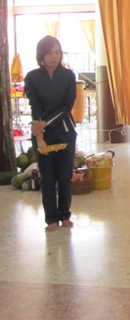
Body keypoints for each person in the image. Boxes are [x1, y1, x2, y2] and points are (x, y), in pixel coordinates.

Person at [24, 35, 78, 233]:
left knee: (64, 176)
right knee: (47, 177)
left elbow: (67, 106)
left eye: (57, 52)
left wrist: (45, 123)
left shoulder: (68, 75)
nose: (54, 57)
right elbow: (35, 105)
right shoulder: (32, 77)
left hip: (65, 131)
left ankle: (65, 215)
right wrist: (39, 135)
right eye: (49, 53)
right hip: (42, 133)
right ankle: (51, 219)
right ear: (41, 55)